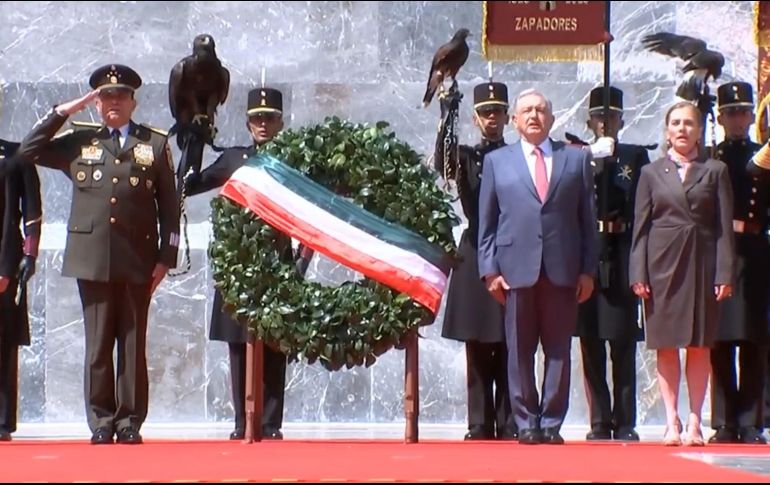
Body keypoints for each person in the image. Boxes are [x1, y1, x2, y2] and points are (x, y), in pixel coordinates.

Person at [15, 64, 180, 445]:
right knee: (98, 344)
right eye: (106, 96)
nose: (113, 103)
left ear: (133, 102)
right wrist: (66, 110)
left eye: (120, 96)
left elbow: (169, 208)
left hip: (139, 258)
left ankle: (130, 422)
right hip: (92, 257)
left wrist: (165, 258)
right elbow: (28, 150)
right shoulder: (79, 141)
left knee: (133, 342)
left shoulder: (153, 144)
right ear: (97, 102)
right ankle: (102, 421)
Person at [477, 88, 599, 445]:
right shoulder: (498, 162)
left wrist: (588, 270)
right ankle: (526, 421)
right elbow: (487, 222)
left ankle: (551, 423)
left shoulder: (574, 160)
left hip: (563, 269)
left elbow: (587, 222)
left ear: (552, 117)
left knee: (558, 349)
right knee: (519, 349)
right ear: (514, 120)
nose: (534, 116)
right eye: (526, 111)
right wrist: (489, 270)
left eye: (541, 110)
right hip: (515, 269)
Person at [185, 87, 291, 440]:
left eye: (270, 118)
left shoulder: (293, 158)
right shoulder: (234, 160)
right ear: (248, 123)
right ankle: (242, 419)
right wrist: (194, 143)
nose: (263, 124)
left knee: (276, 344)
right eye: (257, 119)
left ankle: (271, 422)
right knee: (238, 344)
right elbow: (191, 185)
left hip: (277, 262)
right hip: (240, 267)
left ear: (280, 121)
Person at [630, 101, 735, 446]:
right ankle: (671, 421)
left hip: (702, 265)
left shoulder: (715, 170)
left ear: (699, 130)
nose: (682, 129)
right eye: (675, 123)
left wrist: (724, 273)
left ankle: (694, 422)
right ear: (666, 130)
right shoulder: (650, 173)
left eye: (688, 123)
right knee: (665, 346)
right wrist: (638, 272)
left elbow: (723, 228)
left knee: (700, 345)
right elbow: (641, 228)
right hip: (661, 266)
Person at [435, 81, 517, 441]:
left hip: (512, 248)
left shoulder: (518, 156)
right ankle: (480, 422)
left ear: (507, 116)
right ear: (476, 117)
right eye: (485, 112)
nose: (492, 118)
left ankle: (511, 420)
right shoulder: (468, 156)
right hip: (476, 249)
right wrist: (447, 116)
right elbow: (444, 163)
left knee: (513, 340)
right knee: (478, 343)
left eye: (498, 111)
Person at [576, 86, 649, 442]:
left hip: (621, 250)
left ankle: (625, 420)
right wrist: (592, 161)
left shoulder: (634, 157)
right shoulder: (578, 155)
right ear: (589, 120)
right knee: (590, 340)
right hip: (588, 251)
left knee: (622, 342)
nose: (606, 122)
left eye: (613, 116)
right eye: (600, 116)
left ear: (621, 120)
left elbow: (643, 205)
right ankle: (599, 420)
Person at [709, 81, 769, 445]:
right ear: (721, 117)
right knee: (719, 340)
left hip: (756, 249)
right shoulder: (712, 157)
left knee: (754, 339)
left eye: (744, 112)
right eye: (731, 113)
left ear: (751, 116)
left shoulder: (763, 154)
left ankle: (751, 420)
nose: (738, 119)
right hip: (721, 248)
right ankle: (723, 420)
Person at [0, 139, 41, 441]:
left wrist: (23, 257)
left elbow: (31, 210)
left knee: (2, 341)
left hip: (3, 260)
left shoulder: (15, 155)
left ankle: (1, 419)